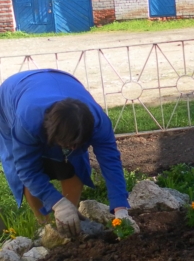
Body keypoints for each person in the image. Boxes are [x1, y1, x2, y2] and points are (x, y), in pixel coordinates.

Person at [0, 69, 137, 237]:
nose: (72, 148)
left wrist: (120, 207)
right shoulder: (27, 121)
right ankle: (44, 224)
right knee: (26, 165)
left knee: (75, 162)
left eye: (77, 144)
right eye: (68, 144)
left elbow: (111, 162)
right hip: (14, 92)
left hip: (63, 81)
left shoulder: (98, 122)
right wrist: (57, 203)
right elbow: (27, 169)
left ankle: (69, 218)